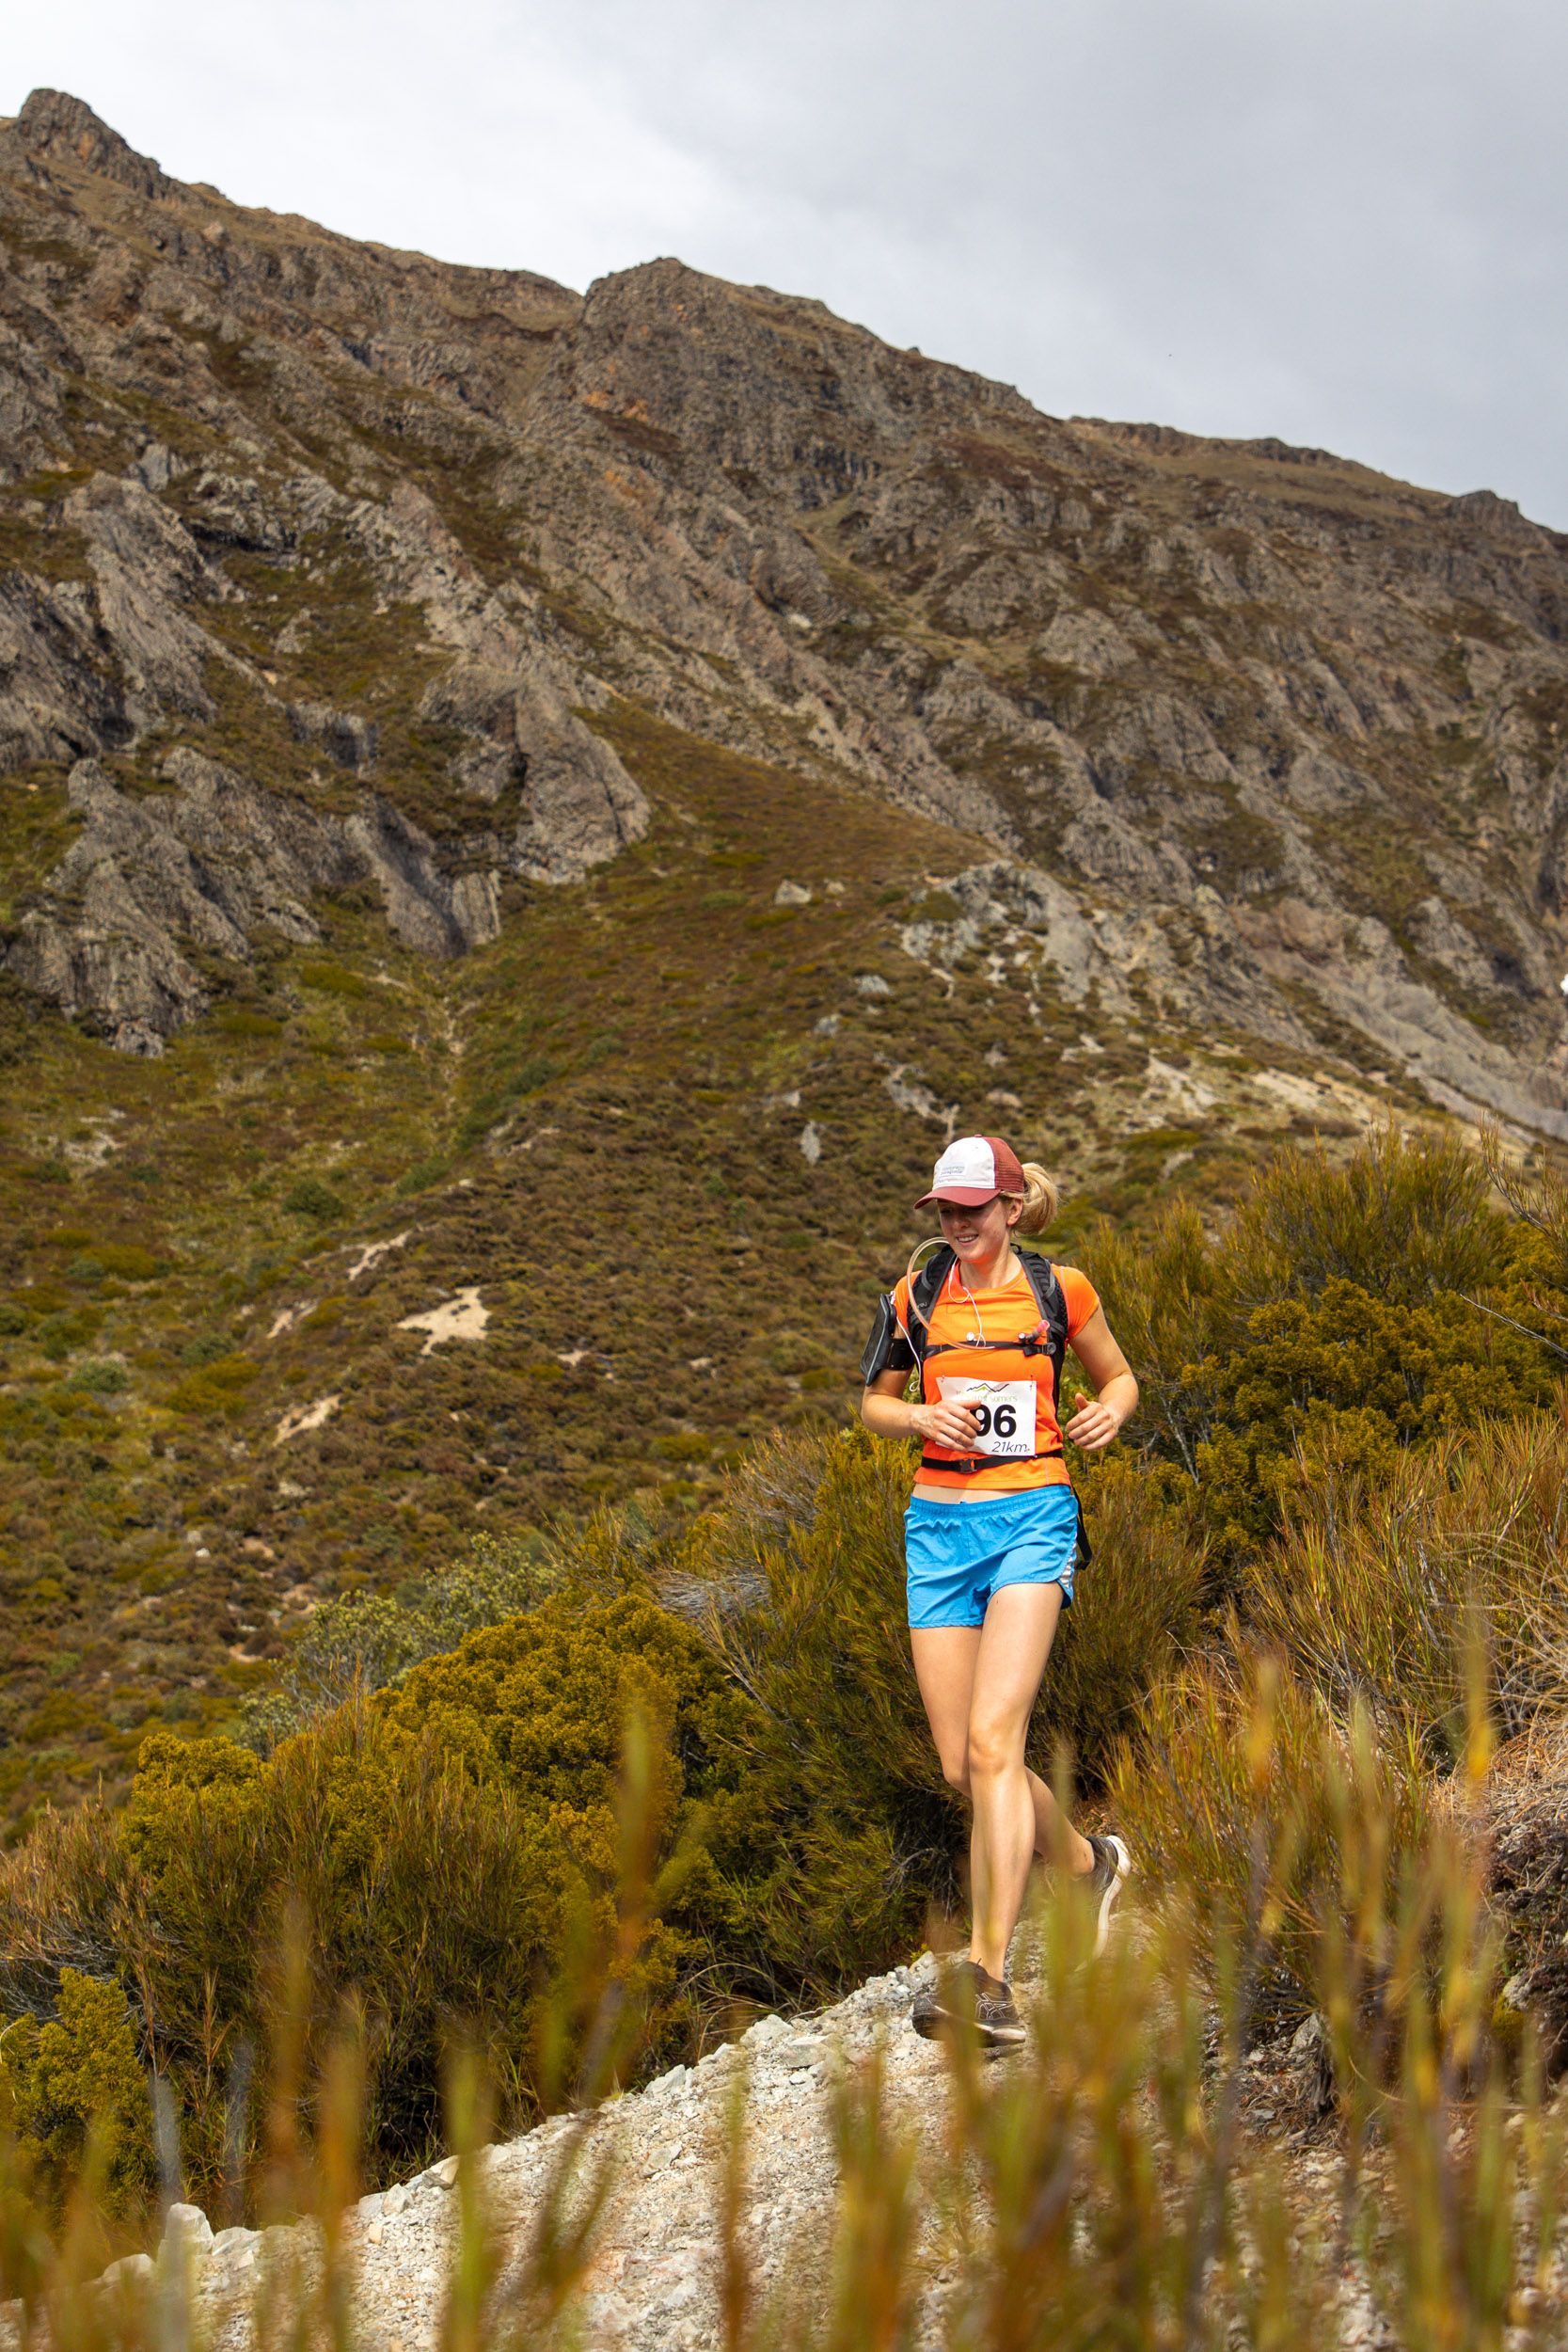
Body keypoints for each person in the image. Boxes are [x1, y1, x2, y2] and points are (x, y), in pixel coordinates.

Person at [859, 1134, 1139, 2052]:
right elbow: (872, 1402)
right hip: (936, 1532)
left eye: (973, 1208)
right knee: (959, 1766)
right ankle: (1087, 1865)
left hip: (1032, 1518)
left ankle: (985, 1980)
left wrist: (1109, 1410)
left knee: (992, 1742)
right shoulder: (912, 1296)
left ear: (1011, 1208)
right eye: (944, 1209)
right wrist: (916, 1416)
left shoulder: (1064, 1289)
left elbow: (1118, 1375)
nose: (957, 1223)